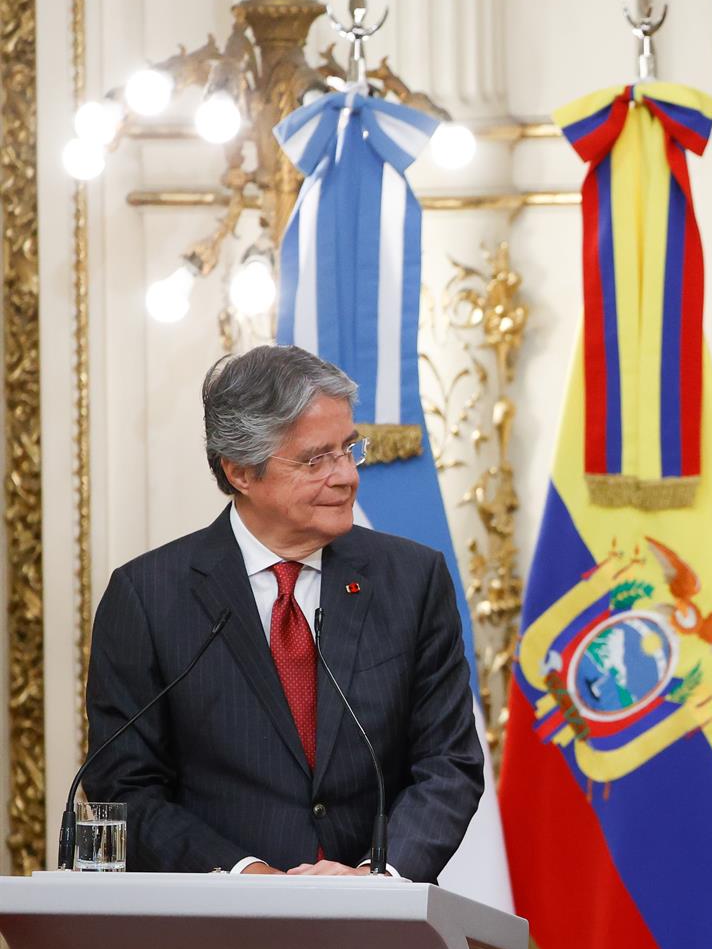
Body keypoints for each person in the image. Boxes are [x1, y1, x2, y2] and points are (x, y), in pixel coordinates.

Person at [86, 346, 482, 879]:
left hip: (379, 932)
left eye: (349, 449)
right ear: (242, 472)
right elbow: (124, 785)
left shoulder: (412, 580)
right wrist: (242, 875)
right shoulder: (149, 596)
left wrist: (377, 879)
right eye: (316, 460)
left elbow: (449, 764)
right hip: (214, 933)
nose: (346, 477)